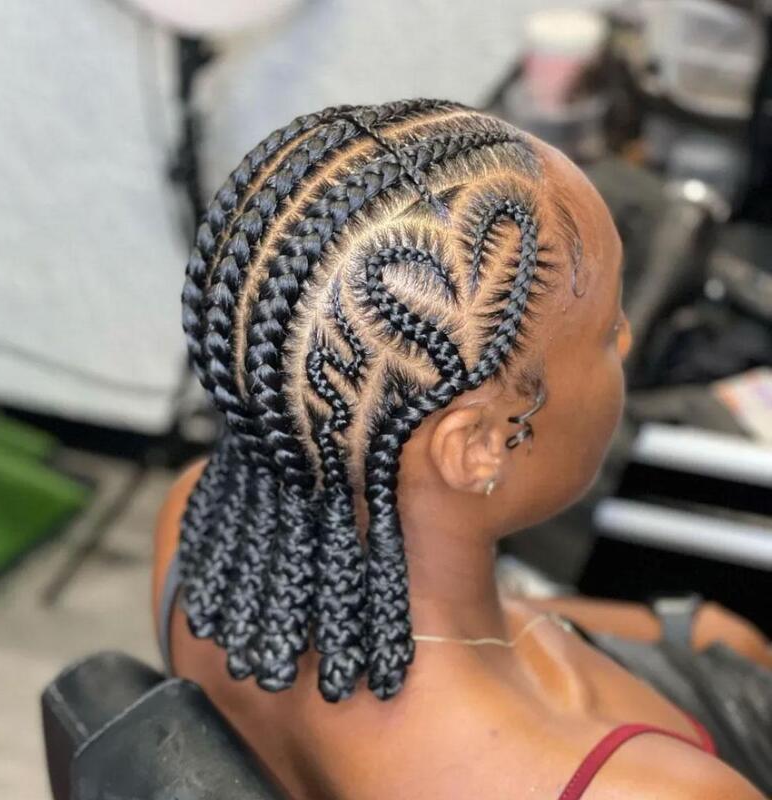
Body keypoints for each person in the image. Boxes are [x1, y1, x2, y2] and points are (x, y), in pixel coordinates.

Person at [152, 100, 768, 799]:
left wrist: (666, 630)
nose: (626, 340)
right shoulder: (657, 791)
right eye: (606, 330)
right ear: (477, 446)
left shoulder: (197, 524)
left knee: (724, 637)